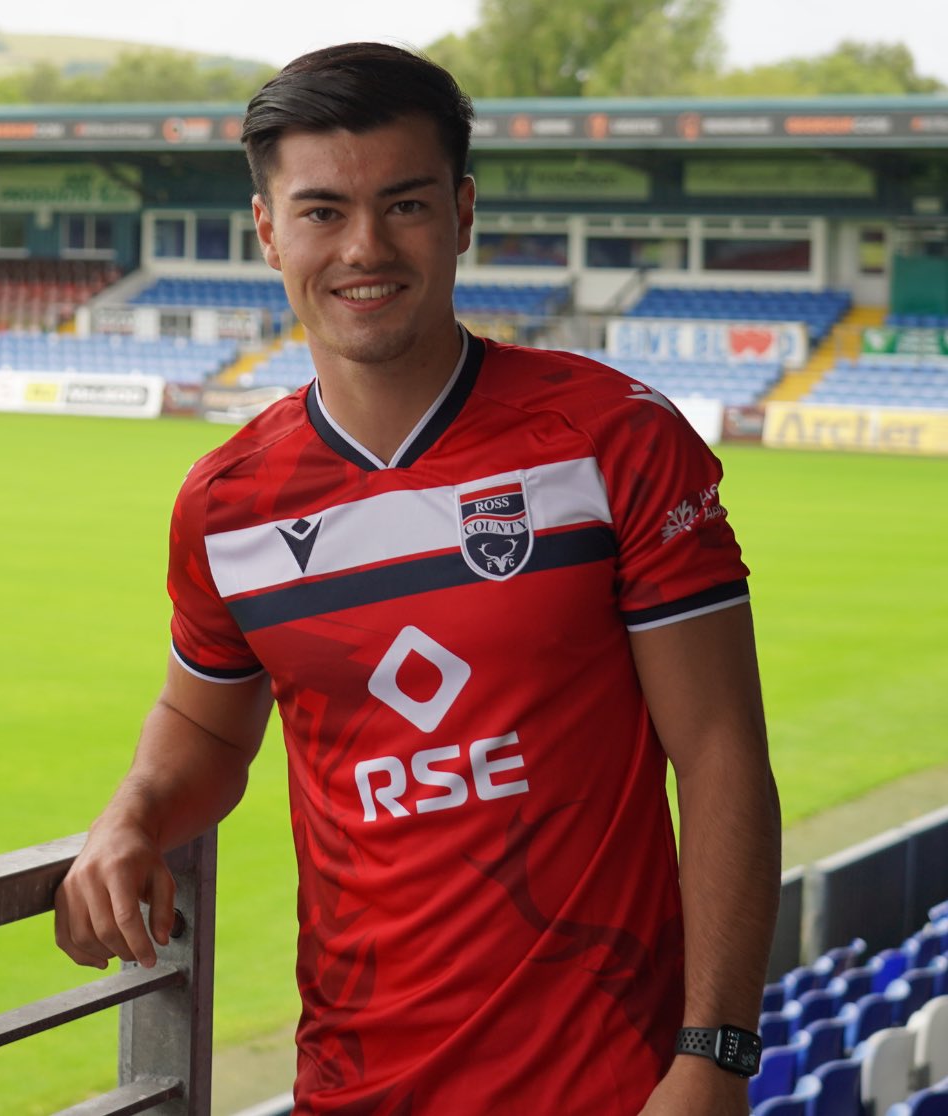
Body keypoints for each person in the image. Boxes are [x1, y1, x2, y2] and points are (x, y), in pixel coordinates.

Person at [54, 42, 781, 1116]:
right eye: (322, 211)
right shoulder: (227, 504)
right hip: (354, 1086)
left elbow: (720, 753)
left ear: (463, 212)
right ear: (267, 230)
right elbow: (203, 729)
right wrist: (132, 813)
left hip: (611, 1085)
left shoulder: (613, 439)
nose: (365, 247)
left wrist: (714, 1054)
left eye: (404, 205)